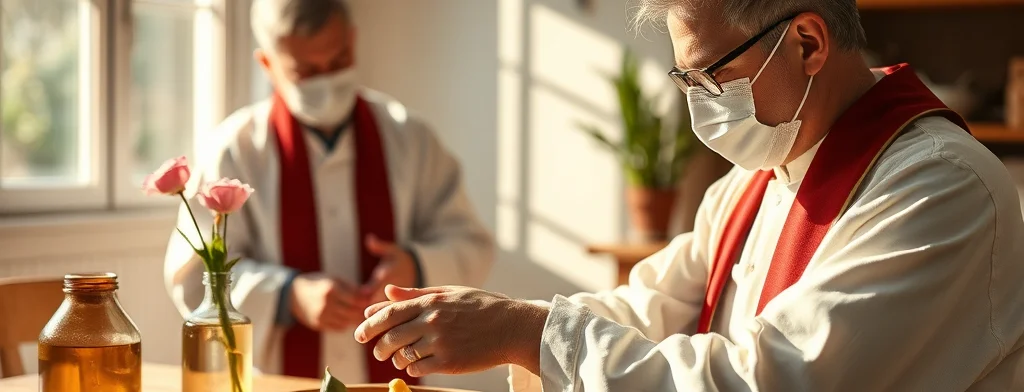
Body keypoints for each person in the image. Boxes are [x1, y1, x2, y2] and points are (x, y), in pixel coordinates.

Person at [353, 1, 1024, 390]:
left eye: (716, 75)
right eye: (687, 80)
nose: (703, 106)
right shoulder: (755, 179)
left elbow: (771, 379)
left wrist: (528, 334)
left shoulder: (938, 186)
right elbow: (651, 309)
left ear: (808, 42)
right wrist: (498, 319)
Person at [163, 0, 494, 385]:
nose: (326, 79)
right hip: (278, 378)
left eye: (338, 61)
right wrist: (289, 295)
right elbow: (195, 275)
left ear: (352, 40)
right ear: (268, 64)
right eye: (307, 71)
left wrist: (416, 266)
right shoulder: (234, 149)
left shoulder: (410, 137)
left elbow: (470, 243)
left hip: (394, 379)